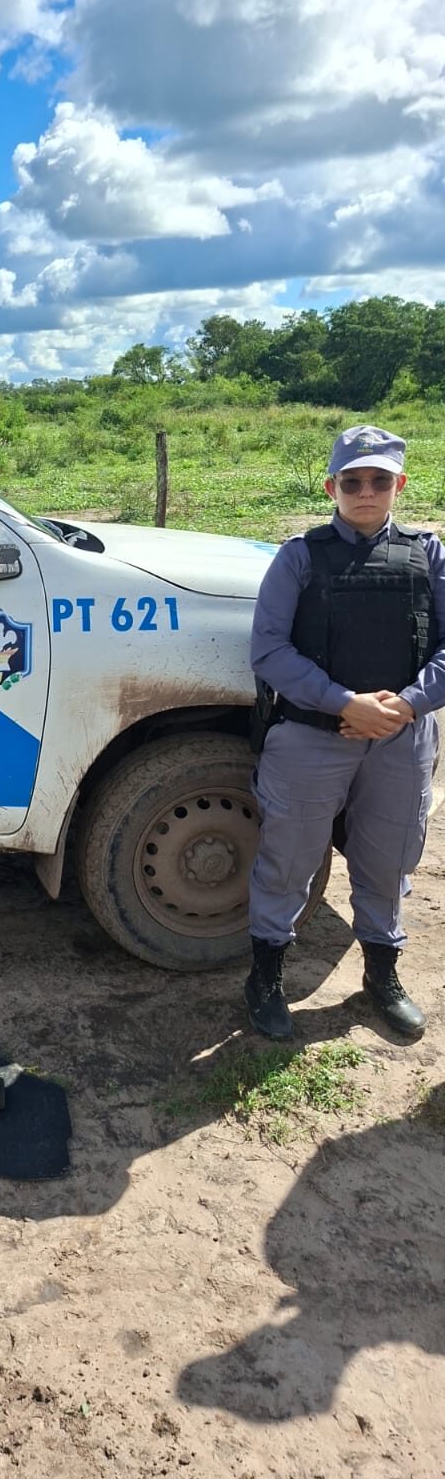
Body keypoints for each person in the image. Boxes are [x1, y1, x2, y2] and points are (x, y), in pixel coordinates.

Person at [245, 424, 445, 1042]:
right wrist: (344, 703)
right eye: (352, 481)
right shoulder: (299, 556)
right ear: (332, 486)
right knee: (289, 860)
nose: (365, 491)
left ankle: (381, 976)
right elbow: (269, 650)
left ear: (398, 485)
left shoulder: (429, 553)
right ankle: (265, 980)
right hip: (312, 735)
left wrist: (409, 704)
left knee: (390, 859)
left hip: (401, 737)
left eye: (378, 480)